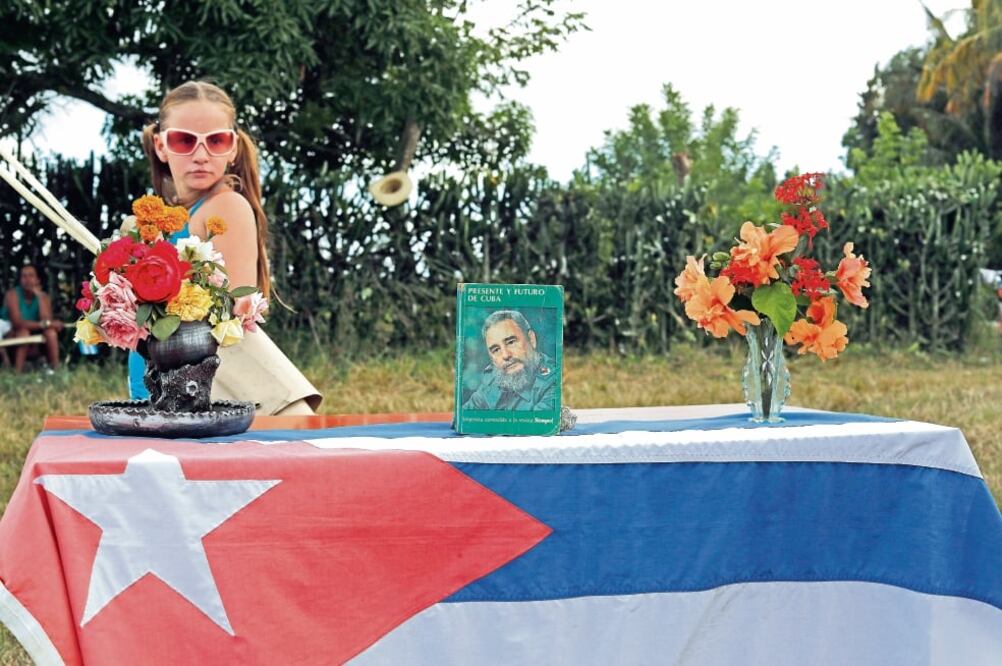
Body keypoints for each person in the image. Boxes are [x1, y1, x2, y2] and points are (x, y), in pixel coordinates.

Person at [131, 80, 320, 414]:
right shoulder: (181, 215)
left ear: (233, 147)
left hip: (199, 393)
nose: (201, 155)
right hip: (173, 386)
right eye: (184, 140)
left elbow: (231, 314)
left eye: (216, 141)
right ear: (161, 146)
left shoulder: (225, 206)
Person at [462, 309, 556, 411]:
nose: (506, 355)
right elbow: (463, 418)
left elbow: (534, 426)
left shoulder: (552, 381)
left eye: (511, 342)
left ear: (531, 339)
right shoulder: (493, 381)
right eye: (496, 349)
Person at [0, 264, 64, 373]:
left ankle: (56, 369)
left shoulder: (43, 297)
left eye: (31, 276)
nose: (27, 280)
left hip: (33, 333)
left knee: (51, 333)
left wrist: (39, 297)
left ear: (38, 280)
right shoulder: (12, 295)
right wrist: (45, 324)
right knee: (23, 332)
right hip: (11, 333)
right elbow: (17, 323)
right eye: (24, 276)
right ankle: (17, 372)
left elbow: (46, 320)